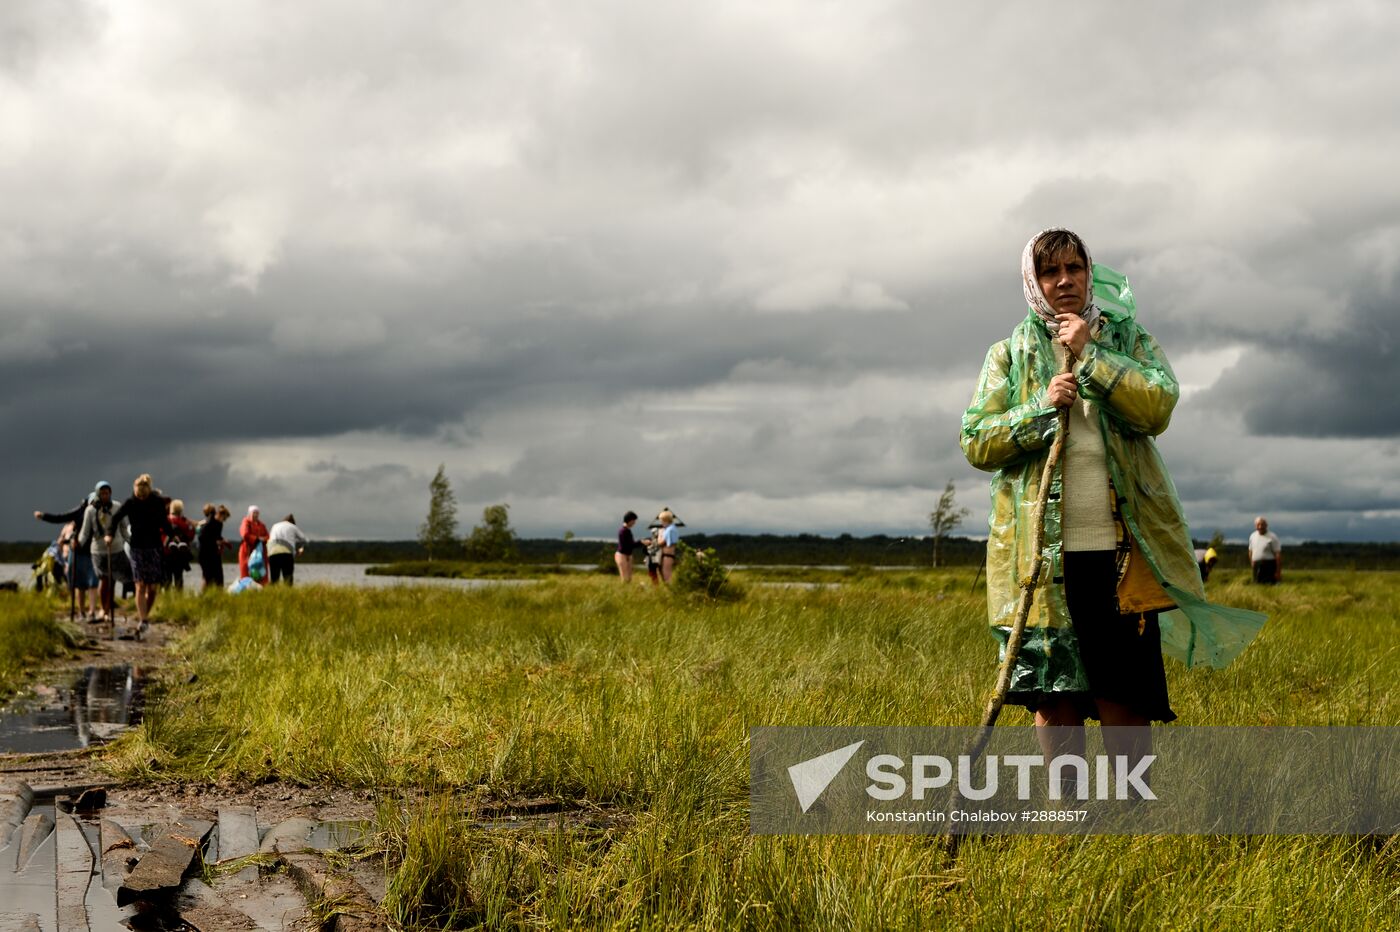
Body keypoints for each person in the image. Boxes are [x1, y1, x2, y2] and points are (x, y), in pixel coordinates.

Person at [960, 228, 1256, 790]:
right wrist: (1039, 411)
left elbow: (1158, 404)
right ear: (1033, 282)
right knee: (1054, 692)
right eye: (1051, 272)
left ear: (1090, 274)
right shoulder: (1009, 354)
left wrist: (1092, 356)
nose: (1065, 281)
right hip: (1039, 564)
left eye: (1075, 268)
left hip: (1123, 553)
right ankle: (1069, 815)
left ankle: (1129, 815)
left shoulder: (1126, 338)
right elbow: (976, 439)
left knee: (1124, 691)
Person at [105, 474, 171, 632]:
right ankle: (143, 620)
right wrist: (109, 534)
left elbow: (164, 522)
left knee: (153, 588)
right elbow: (115, 519)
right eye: (138, 495)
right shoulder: (130, 502)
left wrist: (173, 535)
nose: (140, 498)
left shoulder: (157, 502)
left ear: (148, 491)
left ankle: (144, 616)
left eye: (143, 495)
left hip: (154, 546)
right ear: (134, 492)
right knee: (140, 585)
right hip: (137, 547)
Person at [34, 491, 100, 619]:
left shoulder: (100, 513)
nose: (93, 506)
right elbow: (60, 517)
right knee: (79, 584)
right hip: (77, 552)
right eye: (91, 503)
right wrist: (43, 516)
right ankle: (81, 611)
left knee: (93, 583)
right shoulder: (79, 512)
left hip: (93, 552)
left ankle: (92, 612)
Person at [84, 480, 132, 621]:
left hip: (116, 548)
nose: (105, 495)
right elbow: (85, 533)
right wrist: (78, 543)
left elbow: (123, 528)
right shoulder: (91, 510)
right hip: (98, 550)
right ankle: (103, 610)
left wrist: (130, 541)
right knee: (104, 579)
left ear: (110, 493)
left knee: (113, 580)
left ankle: (109, 607)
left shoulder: (117, 507)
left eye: (107, 492)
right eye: (102, 493)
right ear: (98, 494)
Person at [197, 504, 232, 591]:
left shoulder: (219, 524)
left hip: (214, 553)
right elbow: (201, 537)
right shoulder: (209, 522)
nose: (224, 521)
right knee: (207, 577)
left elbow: (217, 536)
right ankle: (202, 597)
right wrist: (216, 542)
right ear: (220, 515)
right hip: (205, 554)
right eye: (224, 518)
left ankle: (219, 595)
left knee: (219, 577)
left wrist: (223, 541)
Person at [266, 514, 309, 586]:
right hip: (286, 554)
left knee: (274, 579)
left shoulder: (275, 526)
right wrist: (301, 549)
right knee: (288, 578)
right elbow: (305, 540)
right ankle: (288, 593)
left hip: (272, 552)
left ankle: (273, 594)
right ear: (292, 522)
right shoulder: (293, 526)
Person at [163, 499, 196, 590]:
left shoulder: (165, 521)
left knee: (167, 579)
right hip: (180, 555)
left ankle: (166, 599)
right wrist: (192, 527)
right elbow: (190, 536)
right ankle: (179, 599)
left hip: (167, 554)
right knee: (179, 578)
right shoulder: (185, 523)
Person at [614, 511, 650, 583]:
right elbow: (629, 545)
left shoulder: (627, 530)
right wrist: (641, 542)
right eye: (634, 520)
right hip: (622, 555)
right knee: (625, 578)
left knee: (629, 578)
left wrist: (641, 542)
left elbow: (631, 544)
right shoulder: (623, 531)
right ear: (629, 520)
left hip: (628, 555)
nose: (634, 523)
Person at [238, 506, 270, 585]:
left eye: (257, 513)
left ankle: (262, 588)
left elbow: (268, 536)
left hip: (260, 553)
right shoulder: (246, 522)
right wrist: (256, 539)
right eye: (254, 513)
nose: (255, 515)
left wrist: (262, 539)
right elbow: (244, 534)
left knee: (261, 572)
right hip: (247, 551)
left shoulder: (262, 525)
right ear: (250, 513)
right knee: (246, 571)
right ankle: (246, 587)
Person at [1248, 517, 1282, 584]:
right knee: (1257, 584)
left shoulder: (1272, 537)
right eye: (1258, 525)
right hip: (1256, 565)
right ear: (1256, 526)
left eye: (1262, 525)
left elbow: (1278, 554)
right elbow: (1250, 551)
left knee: (1269, 584)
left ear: (1266, 525)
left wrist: (1278, 572)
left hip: (1269, 565)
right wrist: (1252, 562)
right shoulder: (1252, 536)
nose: (1260, 527)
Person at [656, 508, 680, 583]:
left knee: (666, 575)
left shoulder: (669, 530)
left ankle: (670, 591)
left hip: (667, 555)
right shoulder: (673, 528)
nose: (661, 523)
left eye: (662, 521)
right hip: (669, 555)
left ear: (665, 520)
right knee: (665, 574)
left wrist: (660, 534)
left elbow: (661, 543)